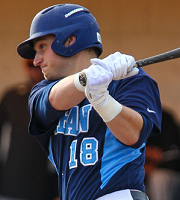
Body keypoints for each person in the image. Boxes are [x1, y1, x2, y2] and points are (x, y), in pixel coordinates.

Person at [16, 3, 162, 200]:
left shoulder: (130, 79)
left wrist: (102, 100)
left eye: (42, 47)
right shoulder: (41, 91)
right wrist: (86, 79)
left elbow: (134, 134)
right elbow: (53, 101)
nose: (36, 60)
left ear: (69, 40)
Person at [0, 59, 58, 200]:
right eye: (31, 65)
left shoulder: (59, 97)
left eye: (39, 64)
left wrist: (60, 188)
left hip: (44, 187)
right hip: (9, 184)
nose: (36, 68)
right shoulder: (12, 97)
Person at [144, 109, 180, 200]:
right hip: (141, 176)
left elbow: (172, 160)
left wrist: (145, 167)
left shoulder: (162, 117)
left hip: (174, 176)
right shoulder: (121, 117)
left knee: (159, 178)